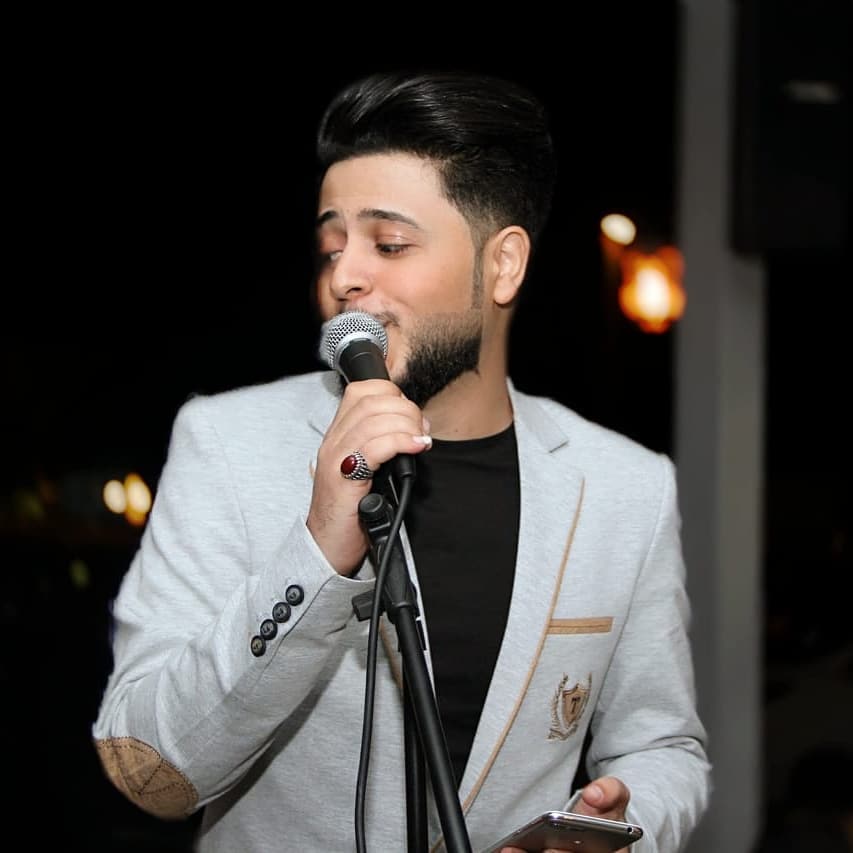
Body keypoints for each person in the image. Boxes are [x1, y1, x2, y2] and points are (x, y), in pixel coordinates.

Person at [92, 69, 711, 852]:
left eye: (388, 244)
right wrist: (319, 546)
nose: (344, 274)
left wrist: (620, 827)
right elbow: (148, 771)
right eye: (332, 245)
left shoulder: (625, 485)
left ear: (502, 265)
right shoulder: (226, 441)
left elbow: (663, 746)